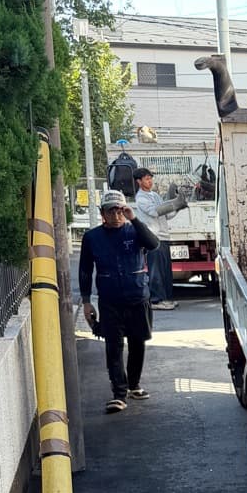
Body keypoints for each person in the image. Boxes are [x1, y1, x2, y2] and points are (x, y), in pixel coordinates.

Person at [78, 191, 157, 413]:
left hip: (137, 297)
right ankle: (119, 394)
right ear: (102, 213)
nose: (115, 215)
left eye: (119, 210)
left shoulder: (135, 231)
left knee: (138, 343)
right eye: (110, 211)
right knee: (113, 346)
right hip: (110, 301)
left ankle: (134, 385)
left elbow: (153, 244)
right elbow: (85, 270)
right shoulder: (92, 238)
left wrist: (134, 218)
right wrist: (86, 301)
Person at [132, 168, 188, 310]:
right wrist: (175, 203)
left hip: (163, 237)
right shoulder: (141, 198)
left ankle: (167, 298)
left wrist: (177, 208)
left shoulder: (155, 195)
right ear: (139, 181)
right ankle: (156, 300)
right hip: (153, 237)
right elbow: (154, 212)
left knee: (165, 271)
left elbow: (166, 215)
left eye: (150, 178)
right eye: (146, 179)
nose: (150, 181)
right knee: (156, 271)